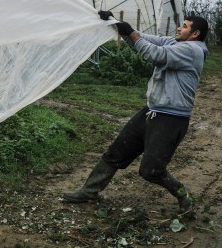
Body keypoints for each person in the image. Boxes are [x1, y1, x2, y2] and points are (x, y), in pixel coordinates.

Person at [62, 11, 209, 215]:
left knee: (151, 171)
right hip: (151, 111)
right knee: (116, 152)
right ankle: (89, 192)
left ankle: (183, 194)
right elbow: (146, 39)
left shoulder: (192, 51)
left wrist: (131, 33)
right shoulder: (175, 42)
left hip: (171, 119)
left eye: (184, 26)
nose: (179, 28)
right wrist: (119, 25)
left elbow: (155, 54)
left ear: (195, 34)